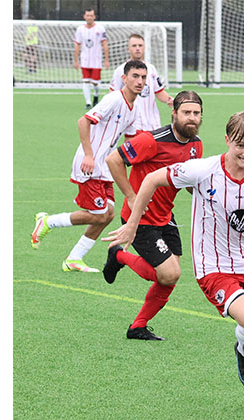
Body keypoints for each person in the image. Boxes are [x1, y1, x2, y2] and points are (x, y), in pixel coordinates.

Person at [104, 111, 244, 411]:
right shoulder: (203, 170)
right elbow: (152, 179)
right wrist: (132, 223)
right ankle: (243, 350)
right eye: (240, 145)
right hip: (214, 267)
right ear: (227, 140)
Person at [102, 91, 204, 341]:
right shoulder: (151, 140)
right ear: (174, 113)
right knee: (169, 274)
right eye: (186, 112)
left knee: (169, 277)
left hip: (165, 216)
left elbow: (188, 181)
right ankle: (119, 255)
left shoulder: (196, 145)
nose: (191, 118)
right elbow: (114, 159)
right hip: (140, 218)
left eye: (196, 113)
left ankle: (138, 327)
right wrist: (130, 196)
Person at [31, 60, 148, 272]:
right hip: (89, 164)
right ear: (124, 78)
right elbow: (83, 121)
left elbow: (131, 141)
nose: (139, 81)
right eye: (135, 76)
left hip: (105, 167)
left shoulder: (135, 108)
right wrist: (88, 155)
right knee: (100, 213)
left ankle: (74, 259)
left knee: (108, 214)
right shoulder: (114, 99)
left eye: (143, 77)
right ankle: (48, 221)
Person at [109, 33, 174, 132]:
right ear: (128, 49)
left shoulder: (151, 68)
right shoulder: (120, 70)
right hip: (133, 123)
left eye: (140, 45)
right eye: (134, 46)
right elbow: (113, 94)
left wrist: (169, 99)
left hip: (153, 123)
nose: (137, 48)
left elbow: (159, 92)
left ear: (144, 48)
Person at [74, 8, 110, 109]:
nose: (89, 17)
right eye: (87, 15)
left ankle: (96, 95)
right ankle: (88, 103)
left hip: (96, 60)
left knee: (95, 83)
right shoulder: (80, 29)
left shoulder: (100, 28)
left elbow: (104, 44)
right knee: (85, 80)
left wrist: (106, 60)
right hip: (85, 59)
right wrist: (76, 60)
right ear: (84, 17)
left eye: (91, 15)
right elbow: (77, 45)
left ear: (94, 17)